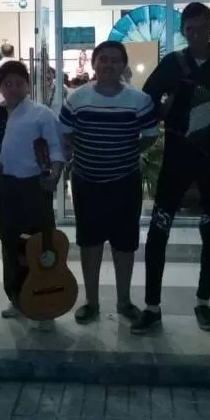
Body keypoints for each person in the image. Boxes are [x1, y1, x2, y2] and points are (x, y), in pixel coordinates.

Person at [133, 2, 210, 335]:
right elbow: (146, 102)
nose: (196, 34)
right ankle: (152, 307)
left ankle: (203, 302)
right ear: (183, 31)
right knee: (158, 230)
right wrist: (164, 108)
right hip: (177, 157)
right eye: (189, 29)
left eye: (201, 27)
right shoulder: (172, 63)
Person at [60, 42, 159, 325]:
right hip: (86, 182)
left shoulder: (139, 100)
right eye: (103, 59)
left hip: (125, 182)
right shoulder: (76, 98)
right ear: (94, 64)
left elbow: (150, 135)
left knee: (124, 244)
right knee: (89, 243)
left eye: (115, 60)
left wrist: (125, 152)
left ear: (124, 65)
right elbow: (66, 133)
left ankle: (124, 301)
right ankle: (91, 302)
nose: (109, 65)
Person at [0, 61, 64, 331]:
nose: (13, 88)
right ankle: (17, 298)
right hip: (4, 189)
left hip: (34, 188)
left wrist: (53, 176)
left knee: (41, 246)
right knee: (10, 246)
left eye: (18, 83)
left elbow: (56, 150)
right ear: (0, 87)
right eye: (7, 83)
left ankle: (46, 306)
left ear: (28, 85)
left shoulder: (41, 114)